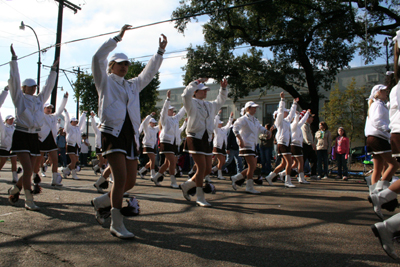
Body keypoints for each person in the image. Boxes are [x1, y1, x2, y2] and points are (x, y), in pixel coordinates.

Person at [91, 24, 167, 238]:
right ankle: (116, 223)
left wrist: (159, 52)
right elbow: (97, 58)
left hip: (130, 136)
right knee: (120, 178)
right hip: (111, 133)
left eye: (126, 64)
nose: (124, 67)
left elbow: (149, 73)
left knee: (130, 181)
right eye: (120, 64)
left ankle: (101, 202)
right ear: (111, 66)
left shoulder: (132, 85)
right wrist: (116, 38)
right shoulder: (104, 81)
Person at [7, 44, 58, 211]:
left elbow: (49, 87)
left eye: (35, 86)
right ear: (24, 88)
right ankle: (29, 200)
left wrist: (53, 70)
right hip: (21, 134)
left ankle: (15, 189)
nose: (34, 88)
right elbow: (14, 79)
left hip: (34, 137)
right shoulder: (19, 98)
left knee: (31, 170)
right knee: (28, 169)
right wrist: (14, 60)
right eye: (31, 86)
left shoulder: (38, 100)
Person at [370, 32, 400, 259]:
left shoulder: (383, 101)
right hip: (381, 136)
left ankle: (381, 195)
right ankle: (380, 194)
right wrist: (387, 131)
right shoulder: (377, 105)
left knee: (381, 166)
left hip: (383, 136)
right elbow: (379, 123)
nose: (384, 91)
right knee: (388, 166)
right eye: (382, 89)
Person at [180, 78, 228, 207]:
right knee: (201, 168)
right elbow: (185, 94)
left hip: (206, 139)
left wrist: (223, 89)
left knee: (207, 169)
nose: (205, 92)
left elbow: (220, 100)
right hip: (194, 137)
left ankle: (187, 185)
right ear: (195, 92)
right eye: (202, 90)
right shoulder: (191, 103)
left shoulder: (209, 105)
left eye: (206, 90)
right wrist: (195, 82)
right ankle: (199, 197)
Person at [230, 101, 270, 193]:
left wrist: (267, 132)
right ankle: (249, 187)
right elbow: (235, 128)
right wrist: (240, 140)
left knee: (253, 166)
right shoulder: (243, 119)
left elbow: (260, 128)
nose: (255, 109)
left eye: (255, 107)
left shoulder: (255, 120)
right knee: (252, 166)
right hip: (246, 144)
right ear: (248, 108)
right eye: (253, 107)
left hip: (253, 145)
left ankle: (235, 177)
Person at [32, 92, 68, 187]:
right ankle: (35, 177)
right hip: (42, 139)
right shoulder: (41, 115)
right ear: (43, 109)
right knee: (39, 160)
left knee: (55, 160)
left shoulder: (54, 116)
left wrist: (65, 98)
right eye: (47, 108)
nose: (49, 109)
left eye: (50, 108)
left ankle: (54, 180)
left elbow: (60, 109)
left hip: (51, 140)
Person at [151, 90, 186, 188]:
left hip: (173, 143)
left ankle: (155, 177)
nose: (172, 111)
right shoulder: (164, 118)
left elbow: (182, 112)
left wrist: (188, 101)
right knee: (172, 162)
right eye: (170, 110)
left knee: (167, 163)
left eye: (172, 110)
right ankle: (173, 181)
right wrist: (168, 99)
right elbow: (163, 109)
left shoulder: (175, 119)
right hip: (166, 142)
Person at [264, 93, 298, 187]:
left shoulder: (286, 121)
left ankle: (270, 177)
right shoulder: (279, 121)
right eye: (285, 111)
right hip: (282, 143)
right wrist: (282, 100)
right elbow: (280, 111)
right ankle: (287, 181)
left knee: (283, 163)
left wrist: (294, 104)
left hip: (285, 143)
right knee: (289, 162)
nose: (286, 112)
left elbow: (291, 114)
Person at [0, 87, 20, 183]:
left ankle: (15, 177)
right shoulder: (3, 127)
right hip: (4, 147)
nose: (11, 120)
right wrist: (5, 92)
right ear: (6, 120)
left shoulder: (14, 127)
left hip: (12, 147)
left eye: (12, 119)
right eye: (10, 119)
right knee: (2, 162)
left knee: (14, 162)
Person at [62, 109, 87, 180]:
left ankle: (65, 170)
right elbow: (67, 121)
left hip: (77, 145)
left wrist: (84, 114)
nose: (76, 122)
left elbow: (82, 122)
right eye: (74, 121)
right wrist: (66, 113)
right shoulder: (69, 128)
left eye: (76, 121)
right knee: (73, 161)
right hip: (70, 145)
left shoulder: (78, 128)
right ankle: (73, 174)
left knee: (75, 161)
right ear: (71, 122)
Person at [290, 109, 311, 184]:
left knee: (295, 163)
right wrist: (297, 115)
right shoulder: (293, 125)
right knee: (300, 162)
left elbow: (303, 120)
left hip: (297, 145)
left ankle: (282, 173)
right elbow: (298, 120)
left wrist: (307, 113)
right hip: (295, 145)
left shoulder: (298, 125)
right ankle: (301, 178)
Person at [211, 110, 233, 180]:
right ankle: (219, 175)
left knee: (223, 162)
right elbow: (215, 123)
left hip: (223, 147)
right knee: (221, 161)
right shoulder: (216, 130)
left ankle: (213, 169)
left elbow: (229, 124)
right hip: (217, 146)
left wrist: (231, 117)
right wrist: (218, 114)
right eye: (220, 123)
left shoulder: (224, 129)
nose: (221, 124)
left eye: (221, 123)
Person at [137, 112, 159, 180]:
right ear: (149, 123)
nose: (154, 124)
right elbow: (144, 123)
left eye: (154, 123)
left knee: (151, 161)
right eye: (152, 122)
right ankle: (152, 174)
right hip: (147, 145)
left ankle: (141, 171)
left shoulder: (155, 129)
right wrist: (150, 115)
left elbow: (162, 124)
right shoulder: (146, 128)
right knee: (152, 159)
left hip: (153, 146)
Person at [91, 112, 109, 192]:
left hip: (104, 148)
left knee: (105, 162)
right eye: (100, 125)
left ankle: (98, 171)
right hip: (99, 148)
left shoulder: (105, 132)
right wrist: (92, 118)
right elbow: (94, 126)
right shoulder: (97, 131)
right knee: (102, 162)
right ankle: (101, 180)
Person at [302, 113, 317, 178]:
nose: (312, 119)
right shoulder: (304, 126)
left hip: (309, 145)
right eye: (311, 117)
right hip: (305, 145)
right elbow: (306, 136)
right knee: (303, 160)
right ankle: (300, 174)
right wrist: (311, 143)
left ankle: (313, 174)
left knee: (314, 159)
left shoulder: (308, 126)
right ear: (307, 118)